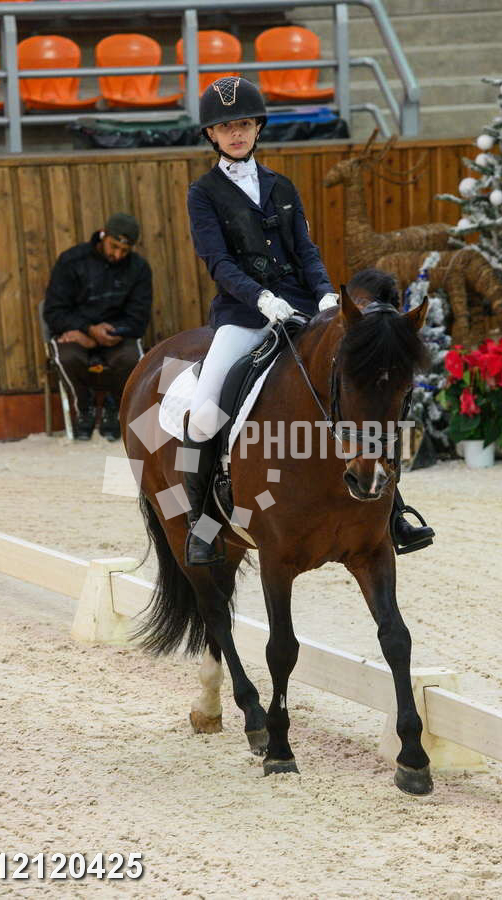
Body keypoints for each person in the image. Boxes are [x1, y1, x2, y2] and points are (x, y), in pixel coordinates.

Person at [184, 76, 339, 565]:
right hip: (243, 314)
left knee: (354, 385)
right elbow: (218, 263)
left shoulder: (281, 186)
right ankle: (202, 525)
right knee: (204, 414)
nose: (236, 134)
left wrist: (326, 293)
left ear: (257, 128)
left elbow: (306, 251)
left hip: (302, 309)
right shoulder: (203, 193)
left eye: (244, 125)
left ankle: (393, 511)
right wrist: (261, 298)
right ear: (212, 135)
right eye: (225, 127)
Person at [347, 267, 435, 554]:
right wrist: (263, 299)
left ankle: (395, 514)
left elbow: (310, 263)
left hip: (317, 308)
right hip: (249, 315)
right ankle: (216, 509)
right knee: (222, 380)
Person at [44, 212, 152, 441]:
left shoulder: (139, 268)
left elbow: (139, 319)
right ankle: (85, 409)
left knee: (132, 359)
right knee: (66, 357)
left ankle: (115, 408)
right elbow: (53, 312)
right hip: (76, 334)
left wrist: (107, 334)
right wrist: (86, 329)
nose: (117, 255)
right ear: (103, 235)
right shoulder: (71, 261)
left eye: (125, 251)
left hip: (116, 336)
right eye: (114, 246)